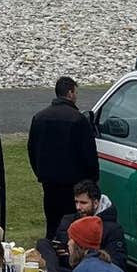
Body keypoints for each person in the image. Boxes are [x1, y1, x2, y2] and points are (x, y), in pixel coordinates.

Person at [28, 76, 100, 239]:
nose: (76, 96)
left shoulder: (39, 117)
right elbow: (88, 153)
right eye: (75, 92)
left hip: (49, 183)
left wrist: (40, 172)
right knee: (72, 225)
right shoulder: (78, 119)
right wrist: (93, 179)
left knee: (52, 223)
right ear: (69, 93)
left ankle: (51, 253)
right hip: (73, 184)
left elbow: (32, 149)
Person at [36, 179, 126, 272]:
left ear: (96, 203)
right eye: (76, 202)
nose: (78, 207)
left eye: (83, 203)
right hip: (65, 267)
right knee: (43, 244)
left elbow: (116, 263)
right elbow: (58, 243)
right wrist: (65, 250)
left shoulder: (112, 229)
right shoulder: (70, 219)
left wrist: (78, 253)